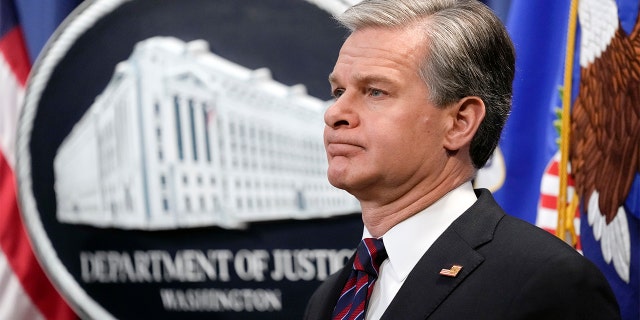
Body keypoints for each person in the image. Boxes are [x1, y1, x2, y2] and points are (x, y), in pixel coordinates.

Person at [304, 0, 621, 319]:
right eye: (338, 91)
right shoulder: (330, 297)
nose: (335, 113)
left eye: (375, 92)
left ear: (460, 122)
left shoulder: (546, 282)